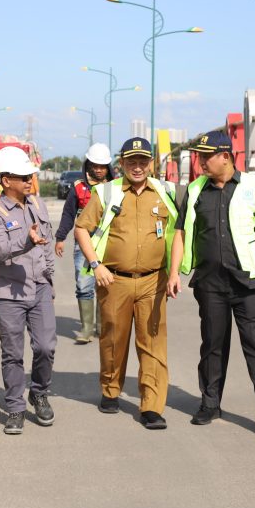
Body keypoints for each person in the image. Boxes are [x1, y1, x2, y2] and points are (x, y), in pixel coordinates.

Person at [167, 130, 255, 436]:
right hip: (210, 283)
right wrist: (173, 273)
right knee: (212, 345)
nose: (199, 163)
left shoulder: (253, 186)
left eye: (204, 157)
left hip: (247, 282)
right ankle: (210, 403)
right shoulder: (196, 190)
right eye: (197, 157)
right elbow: (181, 232)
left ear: (225, 156)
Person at [74, 137, 178, 430]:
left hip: (153, 281)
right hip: (114, 281)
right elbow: (81, 228)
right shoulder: (106, 192)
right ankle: (110, 389)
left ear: (150, 164)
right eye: (131, 161)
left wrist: (173, 274)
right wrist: (96, 265)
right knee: (113, 339)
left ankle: (152, 406)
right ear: (121, 164)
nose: (137, 167)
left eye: (142, 161)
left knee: (153, 344)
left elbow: (179, 231)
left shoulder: (165, 191)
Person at [0, 146, 56, 435]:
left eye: (30, 175)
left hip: (39, 288)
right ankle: (15, 408)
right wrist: (26, 241)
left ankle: (38, 392)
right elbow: (0, 250)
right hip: (8, 293)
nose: (29, 180)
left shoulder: (37, 204)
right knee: (12, 353)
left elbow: (47, 243)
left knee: (45, 347)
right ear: (5, 180)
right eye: (22, 176)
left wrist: (49, 280)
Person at [54, 143, 114, 344]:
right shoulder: (78, 187)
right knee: (84, 284)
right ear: (88, 165)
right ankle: (87, 328)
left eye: (102, 166)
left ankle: (101, 327)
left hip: (109, 243)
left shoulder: (116, 187)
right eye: (94, 165)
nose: (98, 170)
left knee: (104, 285)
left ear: (108, 167)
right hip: (83, 243)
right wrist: (60, 237)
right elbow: (68, 214)